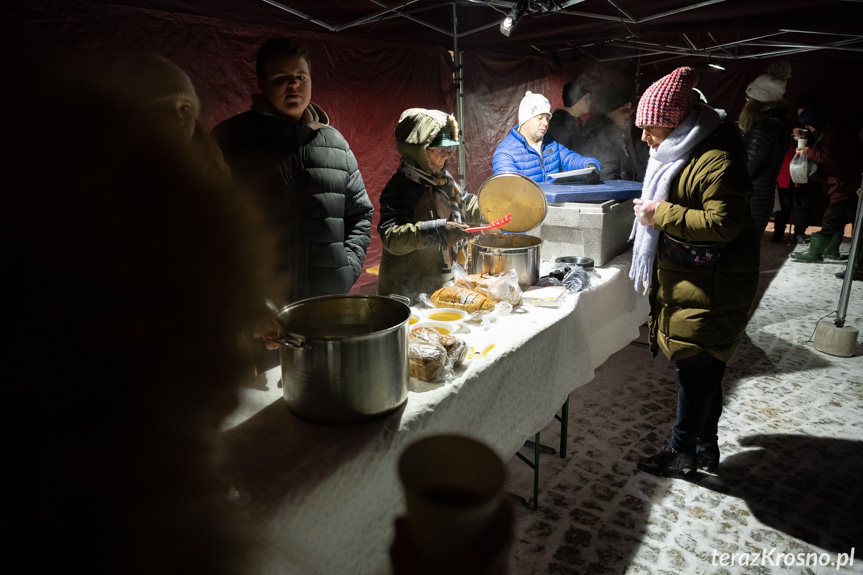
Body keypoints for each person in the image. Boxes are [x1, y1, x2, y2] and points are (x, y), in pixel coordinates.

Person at [12, 54, 277, 575]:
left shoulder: (205, 174)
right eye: (164, 108)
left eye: (186, 106)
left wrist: (250, 311)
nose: (180, 118)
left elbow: (216, 276)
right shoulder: (93, 202)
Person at [629, 66, 759, 477]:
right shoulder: (688, 147)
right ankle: (707, 447)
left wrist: (658, 213)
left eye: (651, 129)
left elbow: (722, 224)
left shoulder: (716, 158)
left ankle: (681, 452)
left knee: (695, 370)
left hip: (712, 286)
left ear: (677, 123)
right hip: (697, 280)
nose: (645, 138)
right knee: (706, 371)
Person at [213, 37, 374, 305]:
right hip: (259, 312)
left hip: (327, 303)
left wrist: (346, 269)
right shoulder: (230, 140)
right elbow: (209, 227)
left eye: (301, 76)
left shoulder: (335, 143)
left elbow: (360, 213)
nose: (294, 85)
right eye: (281, 77)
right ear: (262, 84)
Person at [377, 109, 483, 302]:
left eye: (449, 149)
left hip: (439, 288)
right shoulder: (400, 188)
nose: (445, 156)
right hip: (406, 294)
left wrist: (493, 206)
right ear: (417, 151)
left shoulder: (443, 179)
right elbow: (390, 236)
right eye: (437, 150)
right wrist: (438, 231)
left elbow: (465, 201)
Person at [789, 102, 863, 263]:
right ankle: (831, 250)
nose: (810, 129)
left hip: (843, 182)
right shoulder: (831, 128)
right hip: (842, 180)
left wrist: (809, 152)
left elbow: (830, 156)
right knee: (838, 218)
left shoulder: (833, 131)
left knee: (830, 218)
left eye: (809, 125)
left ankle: (814, 253)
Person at [492, 91, 601, 183]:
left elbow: (571, 159)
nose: (545, 123)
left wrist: (591, 165)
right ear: (525, 119)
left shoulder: (551, 144)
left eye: (547, 118)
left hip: (554, 207)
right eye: (540, 118)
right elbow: (509, 192)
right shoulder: (505, 153)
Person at [738, 61, 792, 239]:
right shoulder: (779, 124)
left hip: (751, 202)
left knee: (741, 255)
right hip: (761, 199)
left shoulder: (763, 128)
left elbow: (746, 170)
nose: (745, 104)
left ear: (758, 101)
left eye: (748, 99)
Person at [580, 89, 646, 182]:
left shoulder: (622, 131)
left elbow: (635, 165)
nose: (628, 113)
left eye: (629, 109)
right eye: (623, 110)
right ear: (609, 113)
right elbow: (608, 174)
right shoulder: (602, 136)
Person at [548, 78, 591, 153]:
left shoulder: (576, 120)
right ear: (576, 100)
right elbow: (558, 155)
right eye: (586, 98)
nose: (590, 101)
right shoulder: (561, 123)